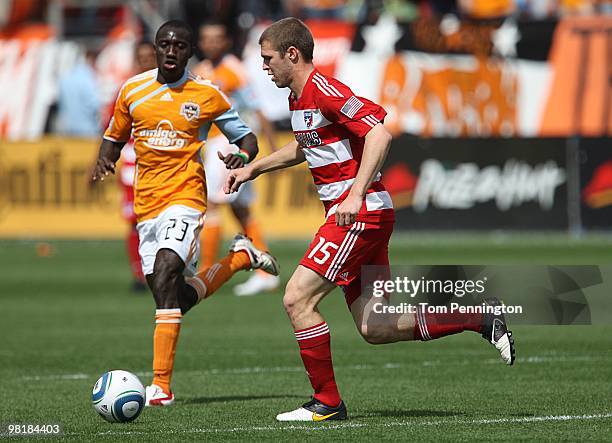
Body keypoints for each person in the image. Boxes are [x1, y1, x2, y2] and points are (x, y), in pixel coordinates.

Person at [225, 17, 515, 422]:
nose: (264, 66)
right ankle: (478, 317)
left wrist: (355, 193)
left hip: (358, 214)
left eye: (268, 58)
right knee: (376, 327)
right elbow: (305, 147)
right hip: (363, 216)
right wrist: (252, 169)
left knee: (297, 299)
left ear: (292, 54)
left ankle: (326, 402)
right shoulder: (297, 98)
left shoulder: (323, 89)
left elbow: (379, 133)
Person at [92, 20, 279, 407]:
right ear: (157, 49)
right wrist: (104, 160)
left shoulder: (206, 94)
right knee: (172, 296)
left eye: (179, 45)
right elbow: (115, 135)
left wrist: (241, 155)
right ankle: (240, 258)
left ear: (189, 51)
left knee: (165, 273)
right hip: (148, 206)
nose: (171, 51)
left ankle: (161, 387)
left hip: (186, 198)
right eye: (165, 44)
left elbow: (247, 137)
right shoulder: (133, 90)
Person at [192, 20, 280, 296]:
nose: (212, 43)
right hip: (213, 143)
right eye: (207, 38)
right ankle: (266, 271)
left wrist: (272, 143)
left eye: (217, 38)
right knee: (240, 210)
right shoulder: (200, 70)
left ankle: (205, 273)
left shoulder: (234, 70)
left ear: (226, 41)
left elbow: (257, 107)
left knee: (213, 205)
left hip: (227, 145)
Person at [115, 40, 157, 292]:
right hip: (133, 166)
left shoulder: (171, 88)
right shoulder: (127, 90)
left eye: (150, 56)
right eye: (141, 57)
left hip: (164, 164)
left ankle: (164, 271)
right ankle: (140, 274)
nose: (146, 61)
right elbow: (111, 131)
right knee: (135, 221)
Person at [57, 49, 101, 137]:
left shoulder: (66, 77)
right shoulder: (88, 79)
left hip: (67, 128)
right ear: (92, 60)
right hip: (87, 130)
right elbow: (94, 105)